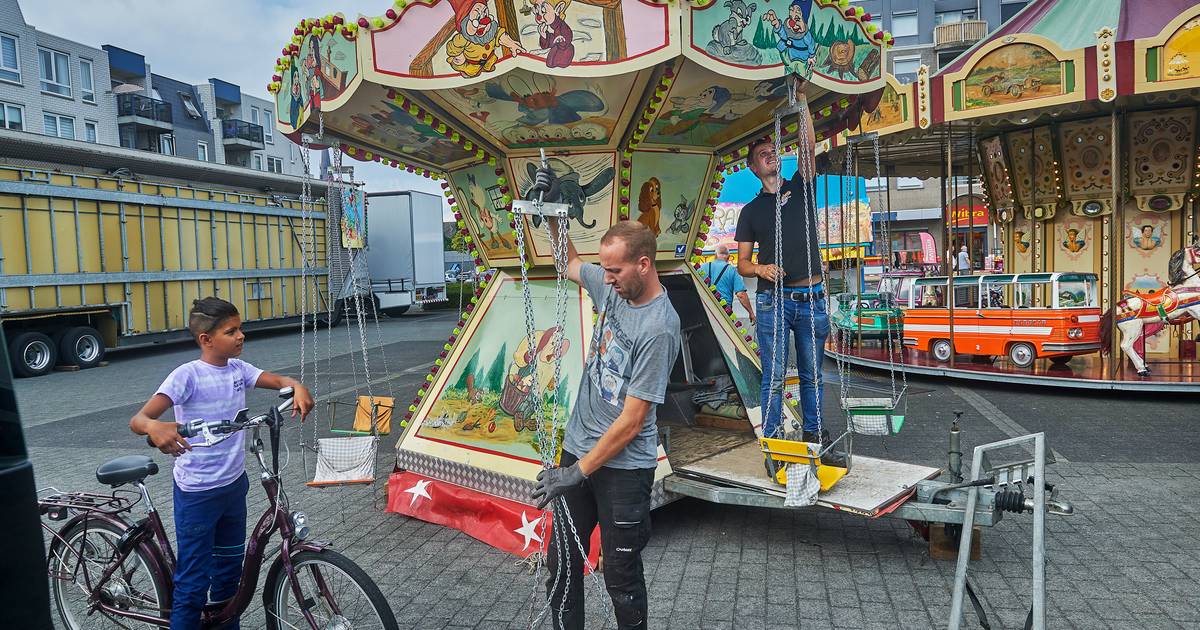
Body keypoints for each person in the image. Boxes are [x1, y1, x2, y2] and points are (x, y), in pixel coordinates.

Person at [526, 167, 680, 630]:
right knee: (563, 566)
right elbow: (566, 262)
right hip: (579, 450)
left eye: (614, 271)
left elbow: (633, 421)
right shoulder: (613, 287)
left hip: (623, 471)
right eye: (605, 270)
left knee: (621, 576)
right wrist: (555, 211)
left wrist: (576, 472)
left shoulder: (659, 327)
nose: (606, 279)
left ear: (643, 266)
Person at [129, 297, 314, 630]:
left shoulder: (239, 370)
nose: (241, 336)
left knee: (230, 573)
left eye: (240, 328)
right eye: (231, 331)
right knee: (193, 583)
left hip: (233, 488)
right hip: (198, 494)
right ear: (206, 339)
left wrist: (296, 385)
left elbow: (277, 380)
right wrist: (155, 426)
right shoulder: (187, 376)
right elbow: (139, 419)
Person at [734, 82, 841, 462]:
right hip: (774, 301)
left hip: (811, 298)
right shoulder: (750, 211)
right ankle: (774, 444)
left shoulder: (800, 187)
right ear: (752, 166)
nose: (770, 156)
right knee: (774, 377)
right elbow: (742, 262)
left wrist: (803, 103)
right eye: (762, 154)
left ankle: (813, 435)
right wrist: (761, 267)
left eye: (772, 151)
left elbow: (808, 148)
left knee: (813, 374)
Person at [700, 244, 754, 323]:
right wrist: (751, 313)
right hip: (724, 312)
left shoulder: (702, 267)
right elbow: (741, 295)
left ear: (715, 256)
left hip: (705, 309)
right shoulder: (732, 270)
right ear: (728, 257)